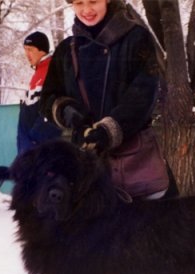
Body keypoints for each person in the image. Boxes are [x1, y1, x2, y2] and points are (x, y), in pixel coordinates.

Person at [40, 0, 177, 200]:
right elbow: (47, 99)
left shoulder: (137, 39)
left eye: (93, 1)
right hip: (85, 166)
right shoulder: (65, 51)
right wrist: (67, 111)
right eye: (78, 3)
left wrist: (109, 130)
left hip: (134, 164)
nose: (86, 10)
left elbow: (143, 95)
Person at [17, 31, 61, 155]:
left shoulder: (52, 70)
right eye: (25, 50)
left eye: (30, 49)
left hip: (39, 148)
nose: (27, 54)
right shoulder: (38, 72)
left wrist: (35, 139)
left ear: (42, 50)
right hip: (30, 147)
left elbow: (52, 109)